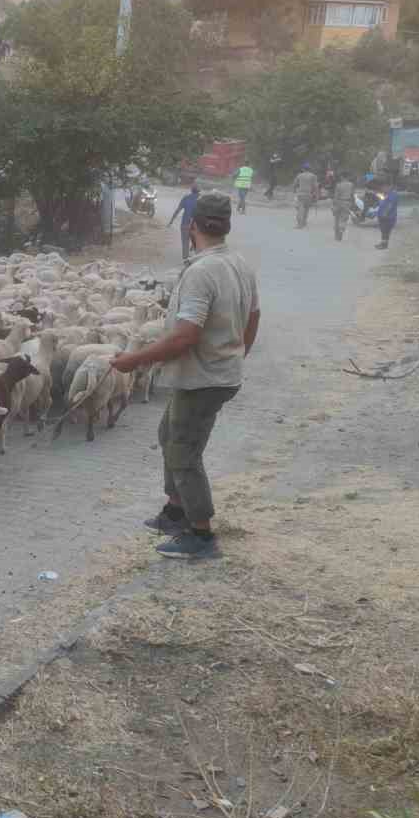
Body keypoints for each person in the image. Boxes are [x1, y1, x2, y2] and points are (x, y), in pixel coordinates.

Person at [112, 191, 261, 560]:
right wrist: (237, 352)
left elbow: (185, 336)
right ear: (226, 226)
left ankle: (201, 534)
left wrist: (135, 360)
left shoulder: (202, 271)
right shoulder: (238, 263)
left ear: (191, 225)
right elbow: (254, 315)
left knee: (185, 453)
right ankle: (175, 509)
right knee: (169, 434)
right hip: (214, 373)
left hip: (203, 378)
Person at [167, 183, 201, 259]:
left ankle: (185, 258)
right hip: (196, 226)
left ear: (191, 190)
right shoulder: (201, 200)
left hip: (185, 224)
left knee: (185, 242)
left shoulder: (186, 198)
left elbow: (178, 210)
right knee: (197, 240)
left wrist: (171, 221)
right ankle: (195, 254)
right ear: (199, 191)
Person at [291, 162, 318, 230]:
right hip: (309, 195)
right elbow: (315, 186)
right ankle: (304, 222)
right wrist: (315, 195)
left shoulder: (299, 175)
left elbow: (294, 185)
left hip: (300, 194)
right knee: (306, 209)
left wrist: (294, 191)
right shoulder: (313, 176)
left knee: (300, 209)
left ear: (303, 169)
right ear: (309, 169)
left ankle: (300, 224)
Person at [373, 182, 400, 249]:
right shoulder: (387, 194)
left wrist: (385, 213)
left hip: (388, 216)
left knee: (385, 231)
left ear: (389, 187)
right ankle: (383, 243)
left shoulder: (393, 194)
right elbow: (383, 199)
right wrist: (376, 194)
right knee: (383, 231)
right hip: (382, 215)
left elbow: (390, 205)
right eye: (382, 188)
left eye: (384, 187)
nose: (383, 189)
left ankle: (384, 245)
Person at [331, 172, 356, 241]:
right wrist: (353, 204)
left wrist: (333, 205)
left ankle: (337, 234)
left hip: (339, 202)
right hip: (347, 202)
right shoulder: (351, 185)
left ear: (342, 177)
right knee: (344, 218)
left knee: (337, 219)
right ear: (348, 177)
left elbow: (336, 196)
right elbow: (352, 195)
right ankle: (341, 229)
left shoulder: (338, 185)